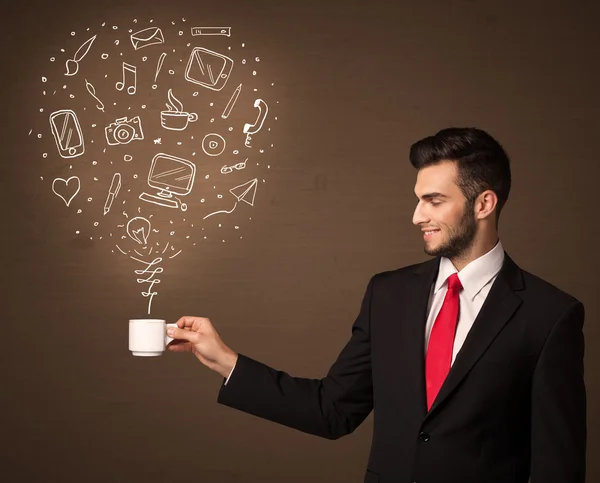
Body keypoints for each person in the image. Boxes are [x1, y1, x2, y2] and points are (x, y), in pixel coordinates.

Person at [167, 127, 586, 483]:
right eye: (418, 199)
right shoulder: (388, 295)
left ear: (483, 204)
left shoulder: (549, 316)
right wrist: (225, 360)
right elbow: (332, 410)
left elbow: (558, 467)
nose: (417, 215)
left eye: (434, 200)